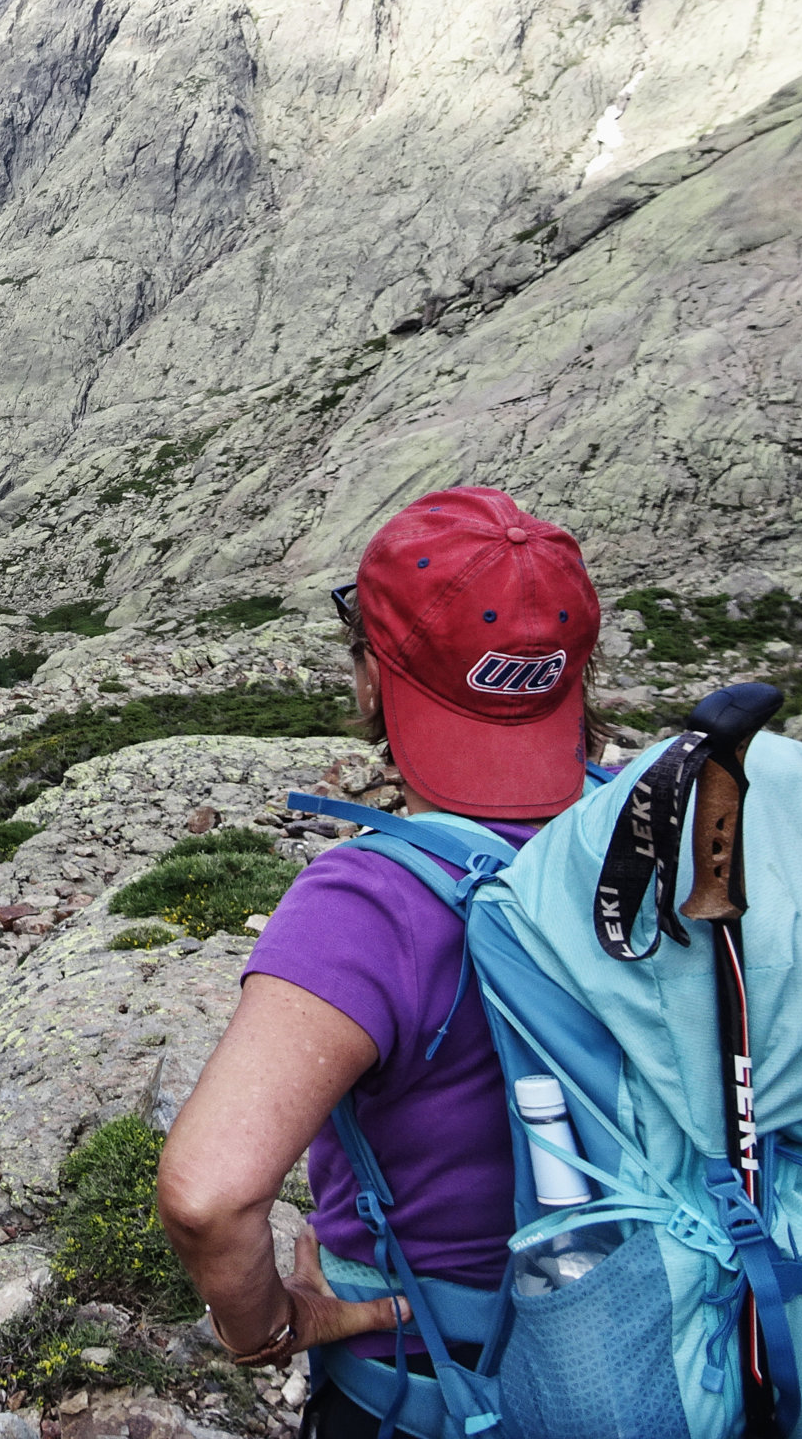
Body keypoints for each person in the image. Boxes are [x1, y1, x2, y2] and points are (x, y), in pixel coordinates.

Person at [153, 487, 605, 1436]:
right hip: (670, 1340)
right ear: (572, 670)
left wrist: (266, 1327)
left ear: (371, 678)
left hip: (439, 1380)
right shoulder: (672, 838)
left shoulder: (374, 902)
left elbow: (209, 1195)